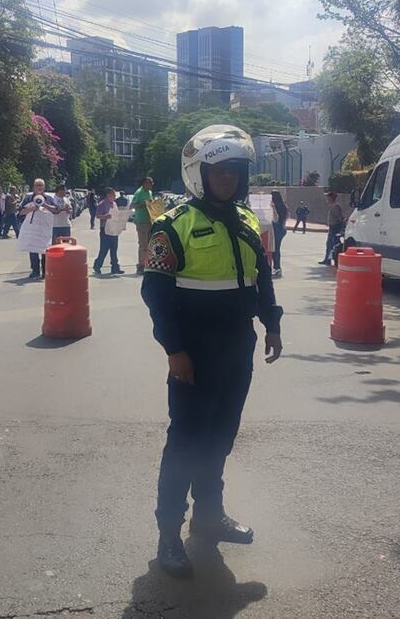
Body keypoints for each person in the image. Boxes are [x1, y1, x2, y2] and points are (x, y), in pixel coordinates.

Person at [141, 124, 282, 578]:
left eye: (235, 171)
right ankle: (168, 533)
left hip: (237, 348)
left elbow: (261, 278)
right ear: (200, 174)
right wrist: (174, 349)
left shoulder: (247, 220)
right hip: (194, 353)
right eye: (220, 171)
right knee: (186, 441)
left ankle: (209, 515)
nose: (228, 178)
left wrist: (272, 323)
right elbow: (156, 295)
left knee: (220, 437)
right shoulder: (173, 225)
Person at [19, 178, 52, 279]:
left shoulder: (49, 198)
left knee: (45, 251)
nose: (39, 187)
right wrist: (33, 208)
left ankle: (45, 272)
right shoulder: (28, 197)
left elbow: (56, 210)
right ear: (33, 187)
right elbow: (21, 212)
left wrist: (44, 205)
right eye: (37, 185)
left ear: (44, 187)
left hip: (44, 229)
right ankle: (35, 271)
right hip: (32, 229)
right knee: (33, 250)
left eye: (41, 185)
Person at [92, 188, 124, 275]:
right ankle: (97, 266)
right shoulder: (102, 203)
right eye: (113, 194)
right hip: (105, 229)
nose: (115, 196)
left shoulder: (114, 204)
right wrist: (105, 216)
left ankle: (115, 267)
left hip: (114, 229)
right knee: (104, 249)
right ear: (108, 194)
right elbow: (97, 215)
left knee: (114, 249)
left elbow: (117, 215)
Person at [131, 176, 155, 274]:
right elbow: (132, 205)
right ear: (145, 183)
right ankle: (141, 265)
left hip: (150, 220)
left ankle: (148, 264)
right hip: (141, 221)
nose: (152, 185)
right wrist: (143, 204)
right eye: (150, 183)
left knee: (150, 244)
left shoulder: (150, 192)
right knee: (143, 244)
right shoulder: (139, 192)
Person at [320, 191, 346, 266]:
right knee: (332, 244)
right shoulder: (332, 206)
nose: (326, 199)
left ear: (330, 198)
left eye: (327, 197)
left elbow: (339, 218)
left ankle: (332, 259)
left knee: (332, 244)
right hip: (333, 227)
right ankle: (329, 259)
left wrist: (342, 227)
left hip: (335, 227)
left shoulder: (335, 206)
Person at [270, 191, 289, 278]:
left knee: (275, 249)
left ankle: (277, 268)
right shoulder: (283, 206)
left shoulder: (276, 206)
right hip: (282, 229)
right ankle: (277, 268)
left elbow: (275, 219)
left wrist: (273, 209)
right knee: (276, 249)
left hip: (276, 229)